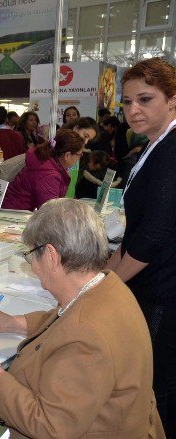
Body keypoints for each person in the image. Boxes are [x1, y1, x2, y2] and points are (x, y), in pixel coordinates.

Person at [0, 198, 164, 439]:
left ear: (51, 256)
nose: (32, 265)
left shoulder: (86, 336)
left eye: (31, 255)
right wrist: (14, 323)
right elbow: (66, 319)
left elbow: (50, 428)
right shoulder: (106, 286)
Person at [106, 57, 176, 436]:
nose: (133, 110)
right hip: (153, 287)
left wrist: (107, 285)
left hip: (162, 294)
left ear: (172, 101)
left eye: (145, 100)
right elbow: (137, 232)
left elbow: (151, 237)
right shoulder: (154, 146)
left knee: (155, 391)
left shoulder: (170, 150)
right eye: (127, 102)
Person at [2, 129, 84, 211]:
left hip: (12, 209)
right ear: (67, 155)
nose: (79, 158)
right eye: (79, 155)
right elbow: (50, 212)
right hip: (16, 215)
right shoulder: (49, 174)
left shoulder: (44, 159)